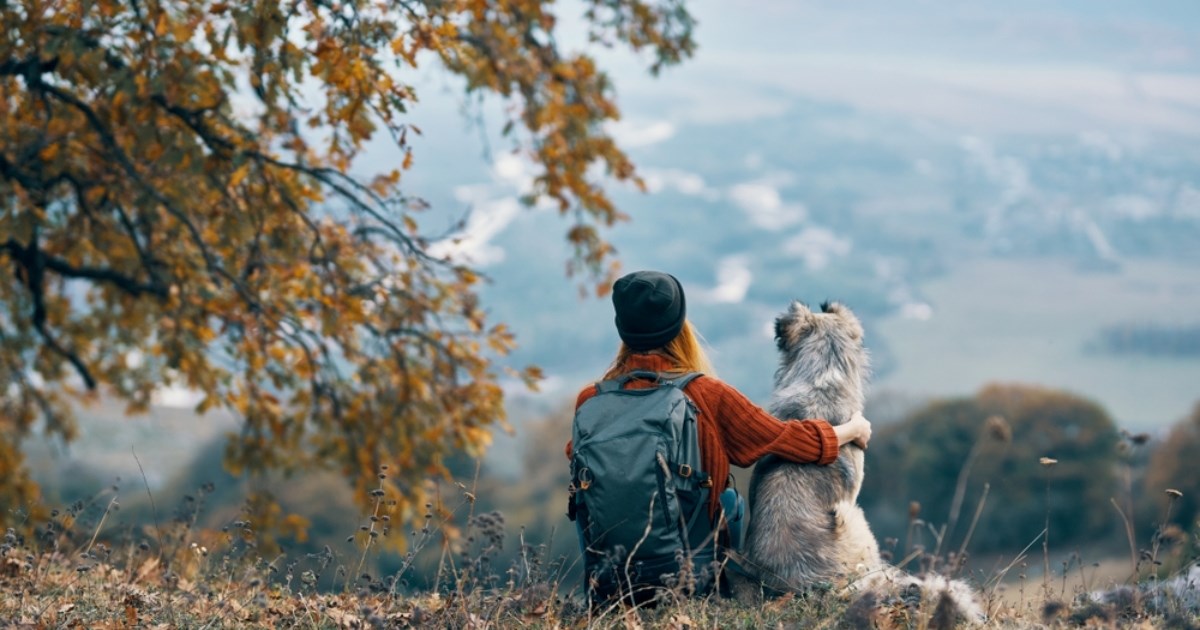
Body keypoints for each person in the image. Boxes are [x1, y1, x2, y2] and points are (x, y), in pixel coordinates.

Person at [565, 270, 872, 599]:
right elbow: (787, 439)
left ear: (622, 327)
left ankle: (601, 591)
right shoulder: (707, 393)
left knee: (591, 498)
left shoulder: (591, 399)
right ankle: (715, 587)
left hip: (610, 574)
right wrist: (851, 429)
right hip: (687, 573)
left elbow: (579, 458)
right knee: (730, 501)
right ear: (680, 325)